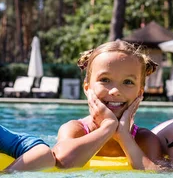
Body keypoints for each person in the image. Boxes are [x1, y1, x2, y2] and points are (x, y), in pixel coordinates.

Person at [52, 41, 164, 170]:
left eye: (128, 82)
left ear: (140, 93)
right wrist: (107, 128)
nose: (115, 91)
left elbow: (157, 176)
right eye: (105, 80)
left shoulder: (145, 140)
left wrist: (123, 136)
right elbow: (62, 163)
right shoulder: (76, 130)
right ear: (87, 88)